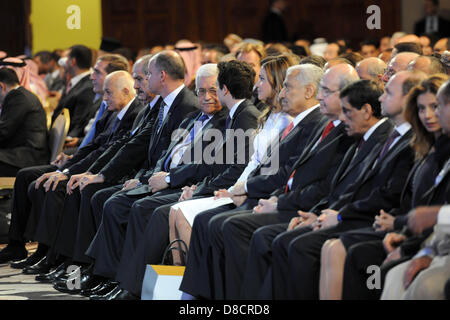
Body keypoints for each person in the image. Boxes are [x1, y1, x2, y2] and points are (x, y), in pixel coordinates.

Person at [51, 50, 199, 296]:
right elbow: (132, 145)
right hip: (149, 174)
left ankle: (111, 276)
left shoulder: (186, 106)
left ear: (161, 76)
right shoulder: (160, 105)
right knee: (99, 196)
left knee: (112, 202)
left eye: (145, 76)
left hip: (169, 181)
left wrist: (136, 178)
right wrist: (95, 173)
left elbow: (178, 157)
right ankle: (89, 268)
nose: (140, 82)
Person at [179, 63, 329, 300]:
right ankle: (198, 298)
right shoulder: (290, 120)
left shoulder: (315, 123)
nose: (281, 93)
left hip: (282, 199)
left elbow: (289, 174)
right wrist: (239, 189)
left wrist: (255, 193)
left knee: (225, 225)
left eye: (287, 88)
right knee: (206, 221)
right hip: (261, 191)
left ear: (309, 92)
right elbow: (263, 166)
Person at [320, 73, 448, 300]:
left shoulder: (431, 150)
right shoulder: (427, 147)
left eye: (435, 106)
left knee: (357, 254)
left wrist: (401, 229)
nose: (429, 115)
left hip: (420, 235)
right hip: (410, 230)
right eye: (421, 108)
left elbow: (408, 201)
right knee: (335, 247)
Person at [0, 54, 130, 265]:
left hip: (93, 168)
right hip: (79, 161)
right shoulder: (109, 106)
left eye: (97, 72)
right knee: (30, 179)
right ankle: (25, 247)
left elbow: (107, 150)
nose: (91, 77)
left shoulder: (123, 109)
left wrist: (68, 171)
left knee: (46, 185)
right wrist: (69, 163)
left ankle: (54, 255)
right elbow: (94, 145)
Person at [168, 55, 295, 265]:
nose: (257, 85)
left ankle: (195, 288)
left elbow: (259, 168)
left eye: (262, 79)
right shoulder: (265, 115)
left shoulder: (254, 116)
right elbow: (253, 162)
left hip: (258, 194)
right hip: (239, 187)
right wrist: (237, 187)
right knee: (177, 210)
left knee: (189, 214)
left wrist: (239, 189)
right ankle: (180, 287)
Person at [0, 68, 48, 176]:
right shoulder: (20, 95)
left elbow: (3, 132)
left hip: (28, 158)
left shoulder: (17, 97)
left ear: (1, 86)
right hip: (24, 154)